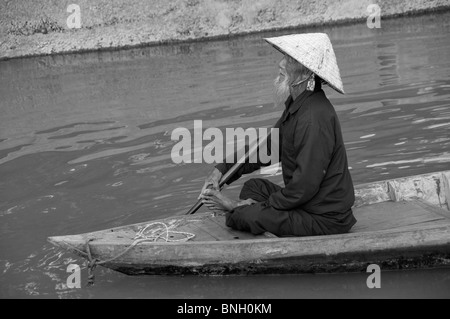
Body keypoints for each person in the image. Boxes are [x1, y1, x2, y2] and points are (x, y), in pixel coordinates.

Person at [199, 33, 356, 237]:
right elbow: (266, 149)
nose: (280, 64)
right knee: (253, 187)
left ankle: (235, 208)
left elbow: (303, 187)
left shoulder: (314, 118)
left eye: (289, 60)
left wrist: (241, 206)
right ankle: (245, 209)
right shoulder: (298, 107)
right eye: (284, 56)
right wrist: (220, 171)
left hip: (324, 218)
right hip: (304, 204)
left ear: (306, 74)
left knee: (241, 217)